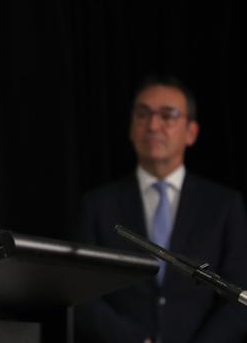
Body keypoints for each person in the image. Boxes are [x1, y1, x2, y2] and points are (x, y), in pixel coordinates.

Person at [75, 77, 247, 343]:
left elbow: (239, 295)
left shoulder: (225, 205)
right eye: (143, 114)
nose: (153, 125)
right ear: (131, 128)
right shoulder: (98, 204)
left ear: (191, 132)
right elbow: (81, 292)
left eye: (167, 116)